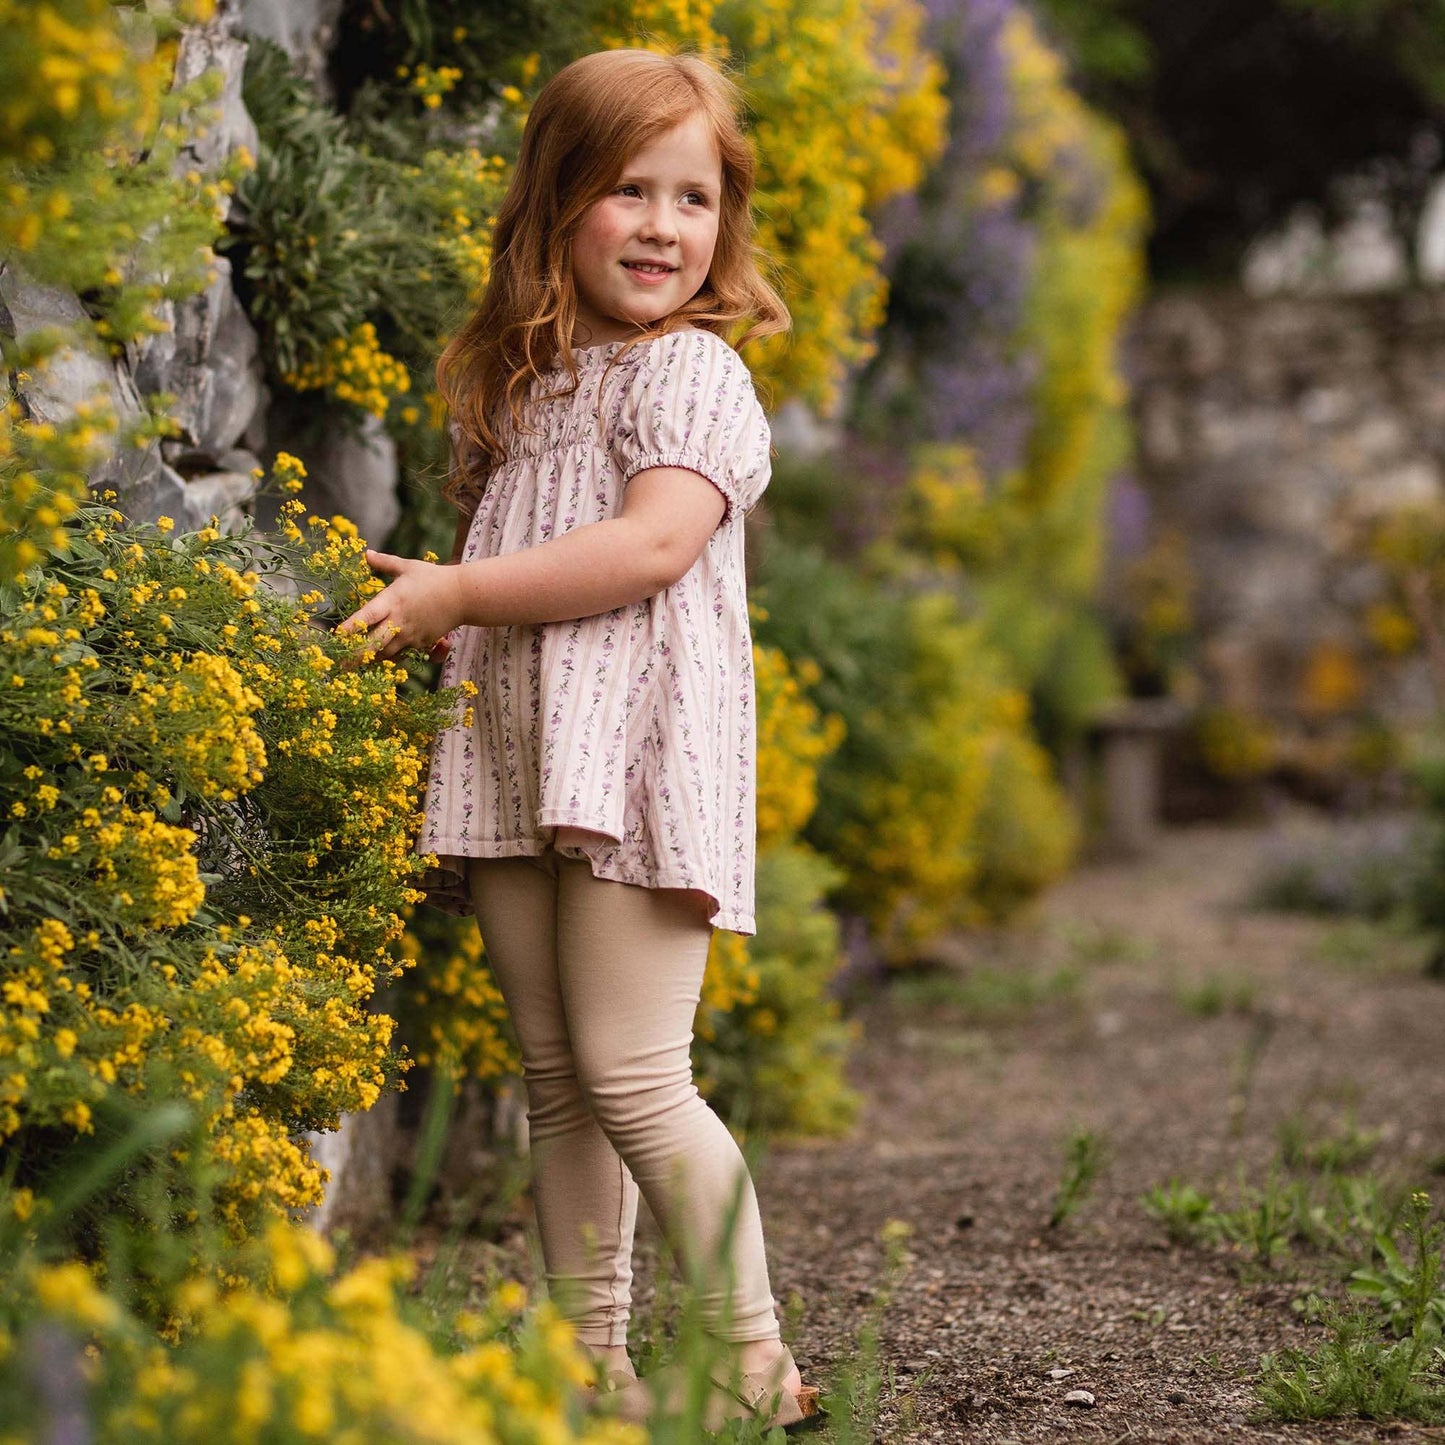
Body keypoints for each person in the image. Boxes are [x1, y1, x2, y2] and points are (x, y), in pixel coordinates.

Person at [339, 47, 821, 1433]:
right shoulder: (524, 383)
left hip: (637, 768)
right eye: (626, 190)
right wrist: (442, 606)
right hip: (521, 756)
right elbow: (535, 571)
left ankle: (748, 1359)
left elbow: (647, 546)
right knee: (556, 1081)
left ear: (726, 218)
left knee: (633, 1075)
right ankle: (583, 1359)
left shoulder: (692, 377)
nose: (666, 226)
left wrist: (462, 588)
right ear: (554, 203)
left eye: (694, 195)